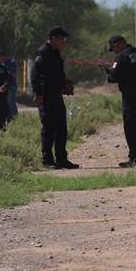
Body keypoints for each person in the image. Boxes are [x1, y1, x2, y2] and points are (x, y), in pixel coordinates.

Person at [30, 26, 79, 170]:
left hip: (56, 95)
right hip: (45, 95)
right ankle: (47, 160)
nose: (64, 42)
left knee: (61, 127)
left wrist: (64, 84)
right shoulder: (43, 52)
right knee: (48, 128)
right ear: (53, 38)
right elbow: (35, 74)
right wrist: (37, 93)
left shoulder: (56, 53)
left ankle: (62, 159)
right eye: (61, 39)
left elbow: (58, 73)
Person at [104, 35, 136, 168]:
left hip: (131, 97)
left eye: (113, 48)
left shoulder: (122, 57)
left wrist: (108, 72)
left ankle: (134, 158)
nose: (114, 51)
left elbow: (114, 77)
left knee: (131, 127)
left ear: (118, 44)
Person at [0, 50, 19, 122]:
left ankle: (14, 120)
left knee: (11, 104)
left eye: (0, 58)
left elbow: (14, 74)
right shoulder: (4, 64)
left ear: (3, 56)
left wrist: (6, 75)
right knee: (8, 104)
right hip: (6, 86)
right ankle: (11, 120)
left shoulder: (11, 62)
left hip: (11, 86)